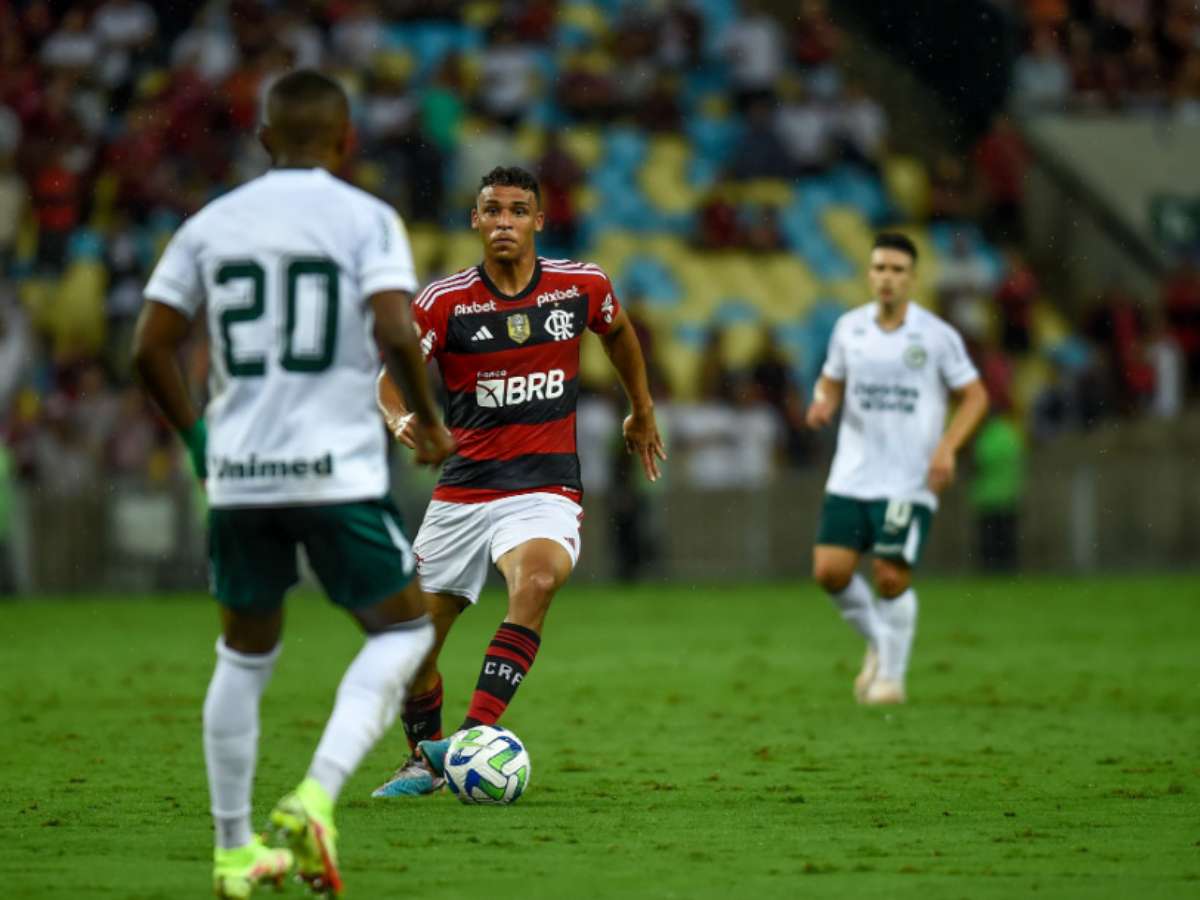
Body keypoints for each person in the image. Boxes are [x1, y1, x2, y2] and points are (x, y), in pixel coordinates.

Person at [132, 70, 455, 899]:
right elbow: (395, 327)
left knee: (242, 657)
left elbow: (149, 347)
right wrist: (429, 420)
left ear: (265, 139)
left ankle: (232, 851)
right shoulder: (367, 218)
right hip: (333, 472)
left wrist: (200, 441)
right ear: (347, 140)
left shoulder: (211, 223)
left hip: (240, 475)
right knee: (403, 633)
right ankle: (316, 796)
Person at [372, 165, 665, 797]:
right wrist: (398, 418)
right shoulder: (444, 301)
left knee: (536, 581)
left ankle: (468, 740)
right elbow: (390, 377)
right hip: (463, 489)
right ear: (475, 220)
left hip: (543, 486)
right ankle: (422, 760)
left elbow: (618, 331)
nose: (504, 221)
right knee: (412, 645)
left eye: (517, 211)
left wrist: (641, 407)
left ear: (538, 220)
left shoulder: (580, 286)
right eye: (492, 210)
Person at [805, 233, 988, 705]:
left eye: (897, 270)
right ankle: (880, 642)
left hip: (908, 480)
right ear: (870, 274)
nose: (887, 278)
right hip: (852, 474)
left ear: (913, 278)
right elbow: (831, 380)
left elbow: (975, 396)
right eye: (880, 268)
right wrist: (822, 402)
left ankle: (890, 679)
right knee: (829, 572)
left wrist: (947, 447)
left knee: (890, 577)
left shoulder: (937, 336)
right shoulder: (848, 328)